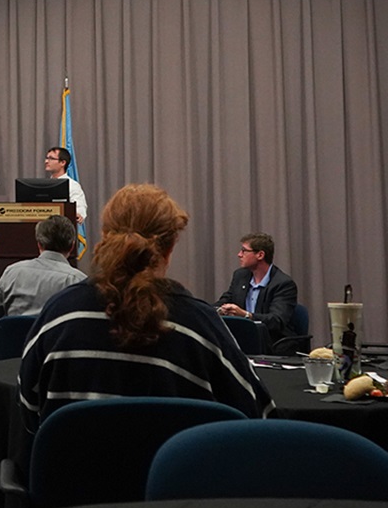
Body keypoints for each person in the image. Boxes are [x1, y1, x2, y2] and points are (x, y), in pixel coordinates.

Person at [20, 184, 272, 435]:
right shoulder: (201, 326)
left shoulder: (59, 314)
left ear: (104, 236)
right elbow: (256, 414)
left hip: (73, 461)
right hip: (175, 462)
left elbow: (29, 410)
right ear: (170, 248)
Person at [0, 215, 86, 332]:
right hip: (57, 343)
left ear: (39, 244)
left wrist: (4, 336)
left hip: (16, 343)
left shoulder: (13, 272)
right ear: (72, 246)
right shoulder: (79, 281)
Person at [214, 232, 299, 352]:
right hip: (242, 341)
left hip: (271, 344)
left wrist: (246, 315)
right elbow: (225, 299)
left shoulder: (283, 284)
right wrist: (219, 310)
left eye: (244, 251)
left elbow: (276, 321)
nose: (239, 255)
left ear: (260, 255)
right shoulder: (240, 276)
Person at [44, 147, 87, 223]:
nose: (46, 161)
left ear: (63, 162)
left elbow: (79, 206)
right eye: (46, 158)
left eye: (51, 158)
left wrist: (78, 213)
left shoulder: (72, 185)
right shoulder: (44, 185)